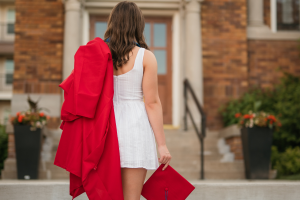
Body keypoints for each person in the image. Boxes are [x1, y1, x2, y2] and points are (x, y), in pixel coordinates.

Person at [103, 1, 172, 200]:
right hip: (135, 128)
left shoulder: (99, 53)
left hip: (106, 127)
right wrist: (162, 145)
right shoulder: (146, 57)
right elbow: (152, 102)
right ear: (137, 24)